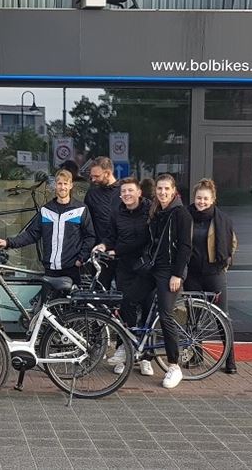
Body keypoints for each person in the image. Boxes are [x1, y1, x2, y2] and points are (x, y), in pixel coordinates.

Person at [93, 177, 153, 376]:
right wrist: (104, 245)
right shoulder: (116, 212)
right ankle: (126, 352)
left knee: (146, 311)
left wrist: (116, 250)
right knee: (125, 307)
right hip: (124, 267)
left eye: (130, 191)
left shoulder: (150, 210)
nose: (126, 194)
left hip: (145, 267)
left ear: (139, 193)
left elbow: (145, 239)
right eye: (123, 191)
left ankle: (145, 358)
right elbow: (111, 236)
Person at [0, 169, 95, 288]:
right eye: (59, 183)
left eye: (65, 183)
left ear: (70, 185)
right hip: (50, 270)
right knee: (46, 305)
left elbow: (90, 237)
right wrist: (8, 242)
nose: (62, 187)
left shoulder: (80, 209)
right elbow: (31, 234)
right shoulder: (46, 210)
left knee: (71, 305)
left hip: (72, 269)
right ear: (55, 186)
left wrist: (81, 259)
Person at [185, 178, 238, 374]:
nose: (202, 202)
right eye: (199, 198)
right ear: (194, 198)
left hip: (214, 273)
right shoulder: (186, 216)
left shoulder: (222, 219)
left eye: (206, 199)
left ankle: (230, 360)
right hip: (192, 274)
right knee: (193, 318)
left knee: (222, 317)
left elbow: (232, 243)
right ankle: (197, 355)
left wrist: (225, 263)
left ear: (213, 199)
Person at [147, 173, 193, 389]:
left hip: (170, 271)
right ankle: (142, 355)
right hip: (154, 268)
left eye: (166, 189)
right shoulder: (157, 212)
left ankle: (174, 366)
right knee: (134, 299)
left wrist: (177, 274)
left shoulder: (181, 214)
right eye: (159, 189)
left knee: (165, 314)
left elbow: (185, 247)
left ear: (173, 191)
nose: (163, 192)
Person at [84, 156, 120, 287]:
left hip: (122, 251)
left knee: (123, 294)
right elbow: (87, 224)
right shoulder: (91, 194)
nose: (93, 179)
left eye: (97, 176)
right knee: (99, 292)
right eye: (91, 176)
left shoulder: (124, 192)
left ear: (108, 173)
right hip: (100, 252)